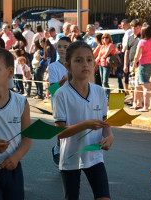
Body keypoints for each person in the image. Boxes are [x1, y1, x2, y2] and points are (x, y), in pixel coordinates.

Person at [53, 41, 114, 200]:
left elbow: (105, 123)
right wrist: (85, 125)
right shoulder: (61, 94)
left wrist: (109, 137)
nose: (85, 64)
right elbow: (60, 133)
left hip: (95, 156)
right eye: (78, 60)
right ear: (68, 66)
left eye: (89, 59)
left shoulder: (99, 91)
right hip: (70, 157)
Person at [0, 47, 32, 200]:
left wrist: (17, 156)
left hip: (13, 169)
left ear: (10, 73)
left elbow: (27, 137)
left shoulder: (21, 102)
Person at [49, 37, 72, 165]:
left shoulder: (75, 65)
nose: (62, 50)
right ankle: (59, 150)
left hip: (73, 101)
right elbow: (53, 89)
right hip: (59, 102)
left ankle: (62, 150)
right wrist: (64, 80)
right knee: (62, 129)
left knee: (72, 129)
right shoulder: (53, 67)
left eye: (65, 47)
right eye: (60, 47)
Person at [133, 25, 151, 112]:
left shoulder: (142, 42)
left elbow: (137, 55)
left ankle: (145, 107)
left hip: (143, 65)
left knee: (145, 87)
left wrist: (134, 64)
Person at [95, 33, 116, 100]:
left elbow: (106, 54)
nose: (105, 39)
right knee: (102, 81)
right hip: (101, 64)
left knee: (105, 81)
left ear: (109, 38)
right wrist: (94, 65)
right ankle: (104, 97)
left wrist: (101, 57)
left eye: (106, 37)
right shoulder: (102, 46)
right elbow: (98, 56)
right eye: (103, 38)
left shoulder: (110, 45)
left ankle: (108, 98)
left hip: (107, 65)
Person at [124, 19, 142, 96]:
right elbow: (127, 52)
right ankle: (134, 98)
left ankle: (140, 100)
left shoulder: (142, 38)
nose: (135, 30)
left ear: (140, 28)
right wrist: (125, 64)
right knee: (132, 83)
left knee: (139, 84)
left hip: (140, 64)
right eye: (134, 28)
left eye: (137, 28)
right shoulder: (130, 38)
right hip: (131, 64)